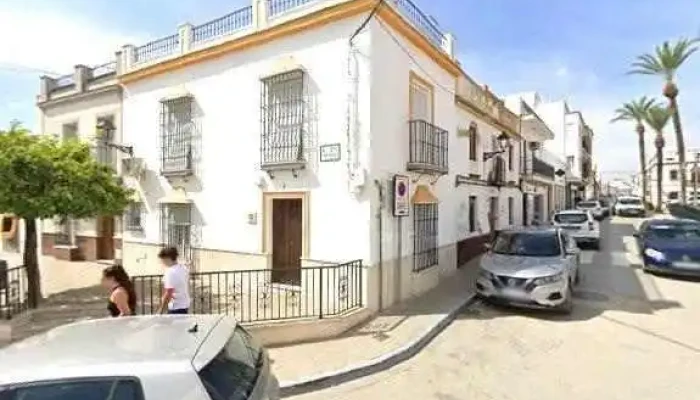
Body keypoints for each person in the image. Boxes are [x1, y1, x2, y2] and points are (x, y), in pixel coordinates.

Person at [157, 247, 191, 315]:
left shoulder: (170, 272)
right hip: (184, 304)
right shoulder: (183, 268)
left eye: (162, 260)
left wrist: (161, 310)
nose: (162, 262)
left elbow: (169, 293)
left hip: (175, 307)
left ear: (167, 258)